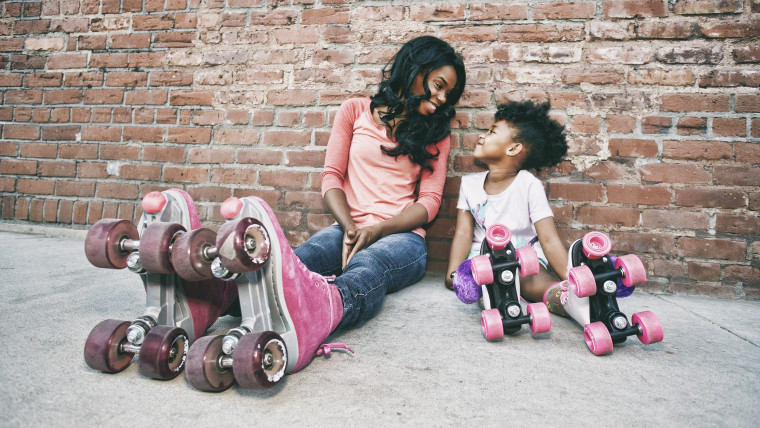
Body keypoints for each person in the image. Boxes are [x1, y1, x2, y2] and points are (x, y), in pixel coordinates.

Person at [292, 37, 466, 332]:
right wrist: (350, 229)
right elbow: (332, 177)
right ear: (415, 70)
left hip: (402, 238)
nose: (442, 99)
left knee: (369, 264)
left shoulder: (437, 133)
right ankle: (230, 298)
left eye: (449, 94)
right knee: (303, 259)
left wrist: (377, 230)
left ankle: (320, 318)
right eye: (439, 86)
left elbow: (430, 202)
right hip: (348, 228)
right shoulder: (354, 110)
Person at [444, 100, 570, 315]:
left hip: (524, 259)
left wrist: (573, 277)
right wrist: (453, 271)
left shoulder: (529, 184)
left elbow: (548, 238)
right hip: (482, 259)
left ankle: (562, 297)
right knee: (475, 276)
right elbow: (464, 233)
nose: (482, 136)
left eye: (492, 132)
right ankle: (493, 293)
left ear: (513, 148)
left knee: (530, 278)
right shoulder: (469, 184)